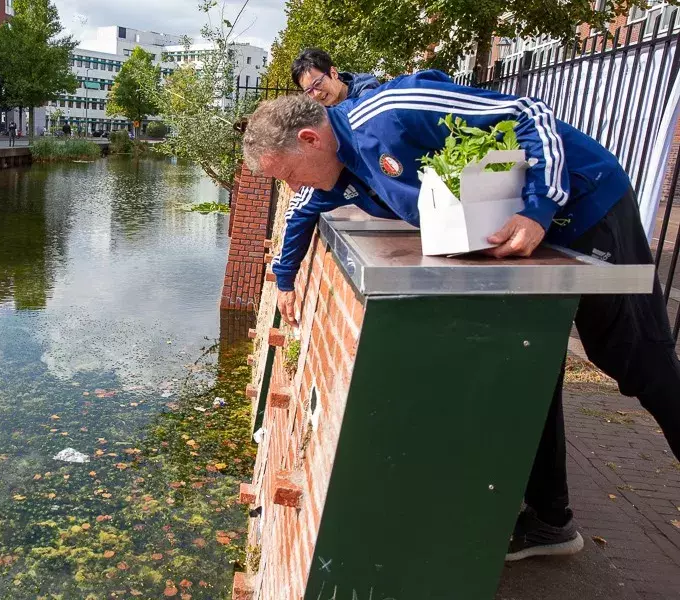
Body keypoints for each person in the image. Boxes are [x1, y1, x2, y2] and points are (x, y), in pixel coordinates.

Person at [241, 73, 680, 561]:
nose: (290, 186)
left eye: (287, 173)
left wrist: (538, 208)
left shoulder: (391, 110)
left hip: (582, 208)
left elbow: (527, 115)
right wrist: (284, 279)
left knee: (639, 360)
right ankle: (550, 522)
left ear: (310, 138)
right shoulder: (339, 169)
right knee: (534, 371)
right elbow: (304, 211)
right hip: (512, 239)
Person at [275, 49, 382, 325]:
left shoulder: (373, 105)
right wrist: (285, 280)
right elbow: (300, 211)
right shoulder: (325, 135)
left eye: (318, 84)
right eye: (308, 91)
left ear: (333, 73)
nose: (316, 94)